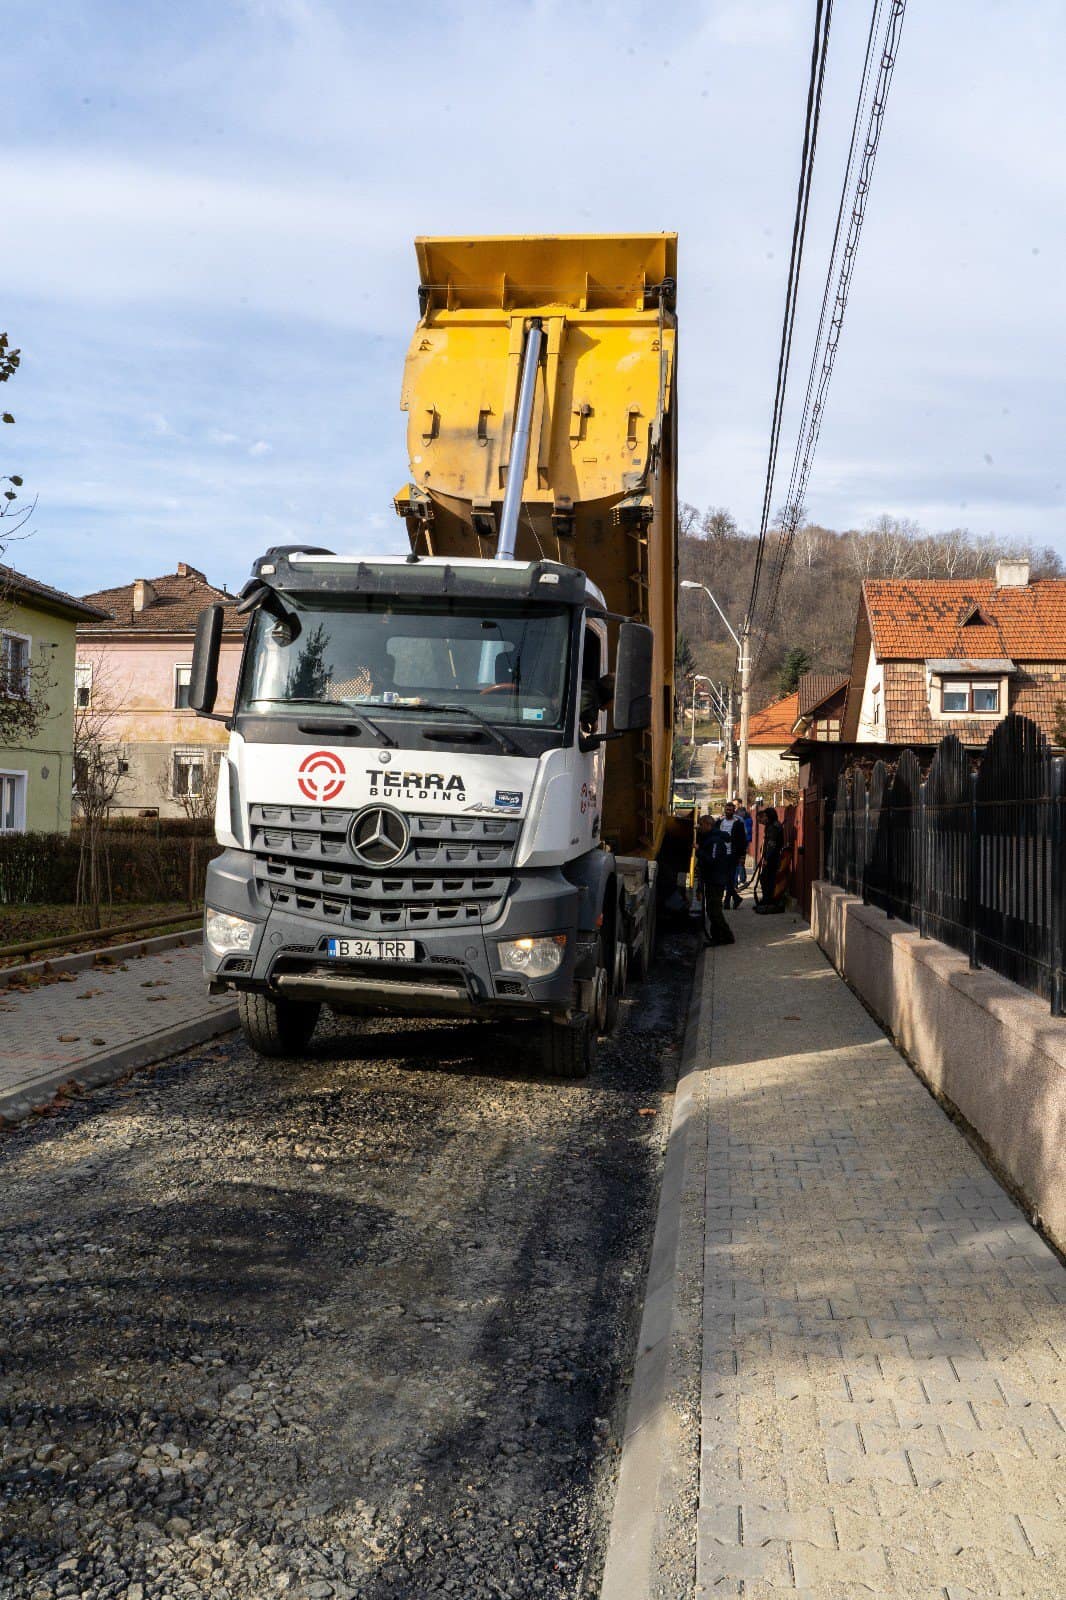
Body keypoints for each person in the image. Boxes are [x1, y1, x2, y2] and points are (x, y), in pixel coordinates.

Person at [695, 812, 736, 946]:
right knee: (712, 911)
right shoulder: (710, 839)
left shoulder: (715, 841)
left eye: (701, 825)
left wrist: (699, 851)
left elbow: (712, 860)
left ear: (708, 825)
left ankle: (726, 936)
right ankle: (717, 937)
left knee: (715, 911)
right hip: (712, 879)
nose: (699, 828)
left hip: (716, 880)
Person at [753, 805, 786, 914]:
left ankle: (769, 901)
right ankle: (766, 900)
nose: (762, 821)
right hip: (772, 857)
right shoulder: (772, 826)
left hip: (773, 858)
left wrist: (767, 858)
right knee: (765, 879)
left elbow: (772, 844)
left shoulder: (773, 827)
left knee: (767, 879)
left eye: (764, 817)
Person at [718, 800, 748, 909]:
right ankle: (735, 898)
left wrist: (742, 856)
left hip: (733, 854)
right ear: (725, 810)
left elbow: (743, 841)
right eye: (727, 809)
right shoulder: (720, 822)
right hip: (722, 854)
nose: (728, 811)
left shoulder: (738, 823)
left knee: (730, 878)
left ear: (734, 811)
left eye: (730, 810)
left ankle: (727, 902)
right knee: (727, 879)